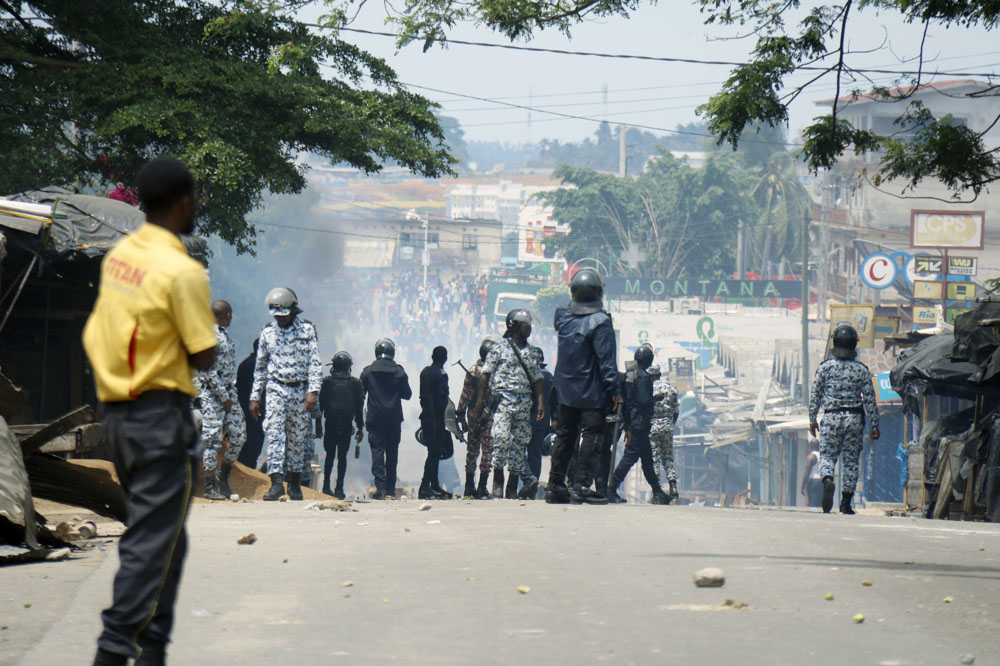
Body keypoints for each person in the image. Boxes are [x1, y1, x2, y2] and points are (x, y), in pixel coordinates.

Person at [83, 156, 216, 666]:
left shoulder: (120, 255)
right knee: (149, 547)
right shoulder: (182, 270)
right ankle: (114, 653)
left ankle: (151, 653)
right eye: (196, 197)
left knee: (166, 542)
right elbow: (204, 355)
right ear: (185, 202)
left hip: (117, 416)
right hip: (160, 419)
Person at [546, 269, 619, 505]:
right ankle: (580, 486)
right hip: (591, 391)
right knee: (592, 436)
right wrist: (615, 391)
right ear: (598, 292)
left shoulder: (563, 318)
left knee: (565, 436)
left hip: (565, 388)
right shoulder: (601, 322)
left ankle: (555, 486)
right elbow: (606, 361)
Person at [249, 287, 323, 502]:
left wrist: (313, 391)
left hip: (300, 390)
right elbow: (260, 367)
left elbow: (315, 363)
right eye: (277, 316)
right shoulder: (267, 333)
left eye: (284, 315)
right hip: (275, 389)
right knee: (274, 435)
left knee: (297, 439)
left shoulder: (307, 331)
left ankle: (295, 483)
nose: (280, 319)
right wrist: (255, 397)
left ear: (293, 310)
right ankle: (276, 484)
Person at [471, 309, 545, 500]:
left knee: (519, 444)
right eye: (526, 325)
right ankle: (497, 483)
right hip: (503, 403)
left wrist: (540, 403)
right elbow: (485, 374)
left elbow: (537, 379)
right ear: (514, 326)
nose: (529, 328)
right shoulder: (499, 349)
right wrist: (479, 401)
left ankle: (511, 487)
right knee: (501, 439)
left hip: (524, 405)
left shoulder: (533, 353)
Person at [808, 324, 880, 515]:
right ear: (854, 345)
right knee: (850, 461)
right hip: (854, 418)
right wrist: (875, 424)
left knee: (827, 456)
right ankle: (846, 503)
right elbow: (870, 399)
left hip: (831, 417)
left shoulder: (824, 368)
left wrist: (812, 419)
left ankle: (827, 480)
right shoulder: (862, 370)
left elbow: (815, 395)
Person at [196, 300, 247, 501]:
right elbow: (208, 372)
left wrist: (229, 397)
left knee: (239, 435)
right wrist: (224, 398)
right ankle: (209, 487)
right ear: (227, 315)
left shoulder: (223, 334)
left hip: (228, 393)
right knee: (212, 439)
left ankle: (222, 476)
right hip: (212, 395)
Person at [607, 346, 671, 505]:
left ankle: (657, 491)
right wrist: (656, 399)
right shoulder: (642, 377)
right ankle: (611, 488)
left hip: (635, 422)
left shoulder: (632, 374)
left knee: (648, 459)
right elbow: (643, 401)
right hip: (640, 423)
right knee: (629, 458)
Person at [360, 338, 412, 499]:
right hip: (394, 420)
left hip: (375, 420)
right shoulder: (399, 372)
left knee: (377, 454)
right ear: (392, 353)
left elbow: (360, 394)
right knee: (392, 454)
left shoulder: (368, 372)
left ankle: (380, 489)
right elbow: (407, 394)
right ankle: (390, 489)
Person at [318, 352, 364, 499]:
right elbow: (359, 407)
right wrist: (360, 427)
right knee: (342, 457)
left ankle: (326, 486)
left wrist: (318, 424)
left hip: (330, 423)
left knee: (329, 455)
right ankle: (339, 488)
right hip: (346, 425)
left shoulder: (327, 382)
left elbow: (321, 406)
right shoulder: (355, 383)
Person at [456, 338, 497, 499]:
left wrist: (461, 414)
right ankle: (481, 488)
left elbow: (465, 395)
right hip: (488, 415)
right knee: (487, 450)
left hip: (473, 413)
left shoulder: (472, 370)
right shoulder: (493, 372)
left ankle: (469, 487)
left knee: (472, 449)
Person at [418, 346, 453, 499]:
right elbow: (442, 399)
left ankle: (434, 485)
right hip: (436, 419)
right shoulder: (441, 374)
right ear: (445, 359)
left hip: (426, 417)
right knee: (434, 453)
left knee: (433, 451)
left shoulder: (424, 372)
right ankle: (425, 486)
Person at [649, 364, 680, 499]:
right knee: (668, 457)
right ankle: (673, 486)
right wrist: (670, 424)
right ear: (659, 375)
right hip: (668, 427)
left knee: (655, 458)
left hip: (652, 428)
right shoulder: (671, 389)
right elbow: (676, 412)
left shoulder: (648, 389)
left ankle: (657, 490)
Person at [236, 339, 265, 470]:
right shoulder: (261, 368)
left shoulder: (243, 364)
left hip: (241, 411)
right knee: (254, 445)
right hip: (256, 413)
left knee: (242, 445)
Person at [526, 345, 553, 483]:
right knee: (535, 454)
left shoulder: (527, 376)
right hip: (542, 422)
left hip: (525, 420)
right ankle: (533, 483)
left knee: (518, 453)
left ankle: (524, 483)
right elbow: (554, 401)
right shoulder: (549, 377)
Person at [800, 440, 823, 508]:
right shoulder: (823, 456)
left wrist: (803, 486)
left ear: (810, 446)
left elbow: (807, 472)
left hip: (813, 482)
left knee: (813, 502)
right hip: (822, 481)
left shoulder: (811, 457)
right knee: (820, 503)